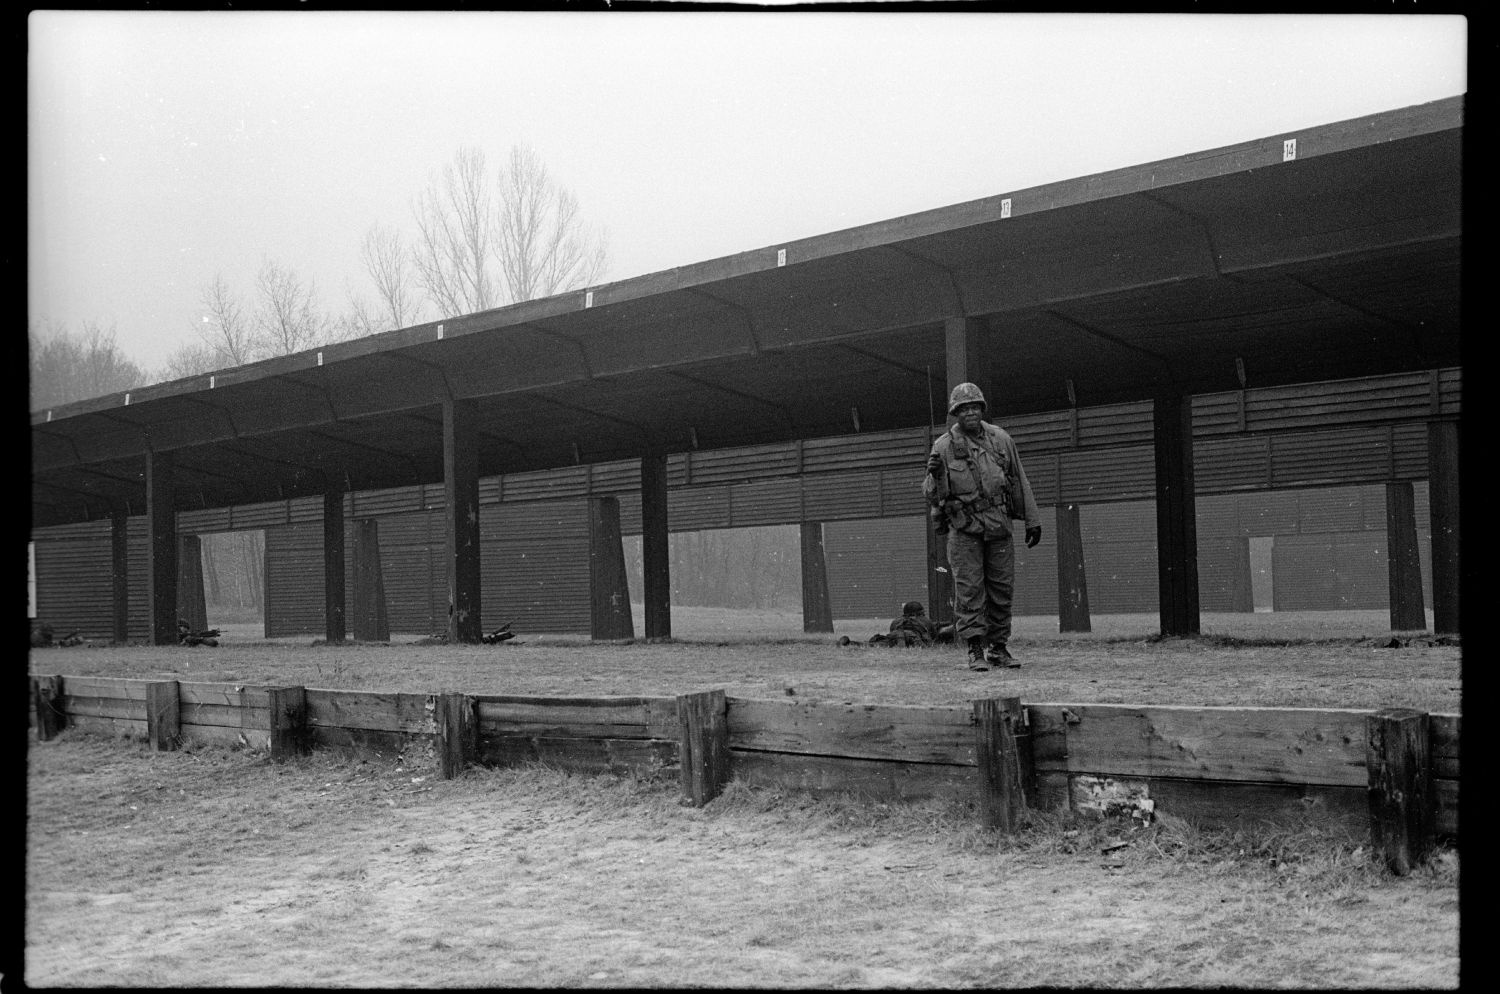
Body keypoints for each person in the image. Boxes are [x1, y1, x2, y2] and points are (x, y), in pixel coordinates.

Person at [923, 382, 1042, 671]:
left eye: (975, 407)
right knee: (969, 590)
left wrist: (1032, 519)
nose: (971, 413)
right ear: (955, 413)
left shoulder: (1001, 440)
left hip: (999, 526)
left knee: (1002, 588)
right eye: (964, 409)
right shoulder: (943, 446)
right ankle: (975, 650)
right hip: (964, 530)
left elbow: (1019, 479)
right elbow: (931, 494)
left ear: (982, 409)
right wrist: (933, 474)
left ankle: (998, 648)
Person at [866, 600, 955, 647]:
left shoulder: (896, 621)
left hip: (896, 638)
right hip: (914, 640)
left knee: (881, 643)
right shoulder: (925, 620)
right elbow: (934, 638)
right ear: (920, 613)